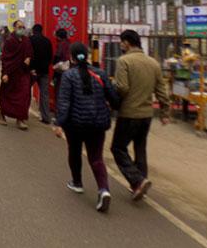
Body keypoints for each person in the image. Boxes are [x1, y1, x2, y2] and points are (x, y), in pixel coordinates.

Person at [54, 42, 118, 213]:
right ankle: (103, 189)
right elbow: (113, 97)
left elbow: (64, 102)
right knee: (96, 158)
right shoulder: (101, 74)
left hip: (75, 124)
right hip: (97, 124)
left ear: (71, 57)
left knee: (74, 152)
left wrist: (59, 123)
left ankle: (77, 182)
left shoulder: (68, 76)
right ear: (87, 55)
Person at [111, 29, 170, 201]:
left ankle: (137, 180)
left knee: (117, 148)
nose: (121, 45)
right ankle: (139, 184)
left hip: (129, 113)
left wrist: (112, 91)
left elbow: (122, 88)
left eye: (122, 42)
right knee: (140, 148)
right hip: (146, 115)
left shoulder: (124, 61)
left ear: (127, 43)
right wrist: (165, 112)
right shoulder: (153, 63)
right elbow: (161, 91)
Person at [0, 20, 34, 129]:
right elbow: (6, 58)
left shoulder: (26, 40)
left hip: (23, 72)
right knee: (7, 95)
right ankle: (2, 116)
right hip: (10, 72)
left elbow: (30, 52)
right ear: (14, 28)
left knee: (24, 96)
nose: (21, 29)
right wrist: (5, 73)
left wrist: (28, 58)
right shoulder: (10, 41)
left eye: (23, 27)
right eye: (19, 27)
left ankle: (20, 119)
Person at [29, 24, 53, 123]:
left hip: (32, 71)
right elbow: (50, 57)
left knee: (25, 92)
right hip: (44, 71)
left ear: (33, 31)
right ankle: (46, 117)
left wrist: (31, 67)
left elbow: (27, 54)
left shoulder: (29, 40)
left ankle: (21, 115)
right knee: (44, 94)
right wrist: (45, 65)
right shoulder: (47, 41)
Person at [53, 29, 71, 104]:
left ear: (59, 37)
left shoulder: (61, 44)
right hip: (69, 69)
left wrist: (54, 63)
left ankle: (59, 111)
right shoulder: (69, 43)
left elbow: (58, 55)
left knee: (59, 91)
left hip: (61, 71)